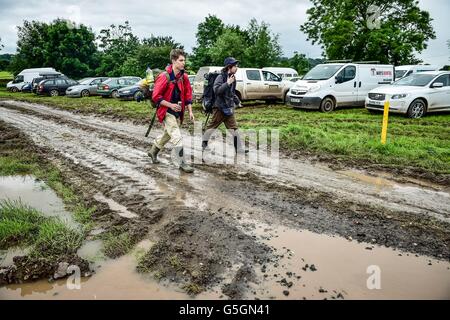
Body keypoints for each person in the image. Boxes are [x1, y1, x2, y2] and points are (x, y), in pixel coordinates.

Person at [148, 49, 195, 173]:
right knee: (176, 135)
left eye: (184, 60)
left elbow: (188, 94)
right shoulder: (164, 76)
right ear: (173, 61)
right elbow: (156, 96)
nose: (183, 63)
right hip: (166, 111)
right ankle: (182, 162)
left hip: (178, 111)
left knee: (168, 134)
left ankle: (153, 151)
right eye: (181, 60)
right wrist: (170, 105)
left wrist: (190, 111)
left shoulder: (183, 76)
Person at [202, 57, 248, 154]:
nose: (237, 68)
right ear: (229, 67)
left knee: (234, 129)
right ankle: (204, 144)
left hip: (228, 108)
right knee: (212, 127)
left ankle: (239, 149)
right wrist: (227, 83)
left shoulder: (232, 78)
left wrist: (237, 101)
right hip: (219, 108)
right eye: (235, 66)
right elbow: (217, 90)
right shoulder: (220, 77)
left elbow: (231, 93)